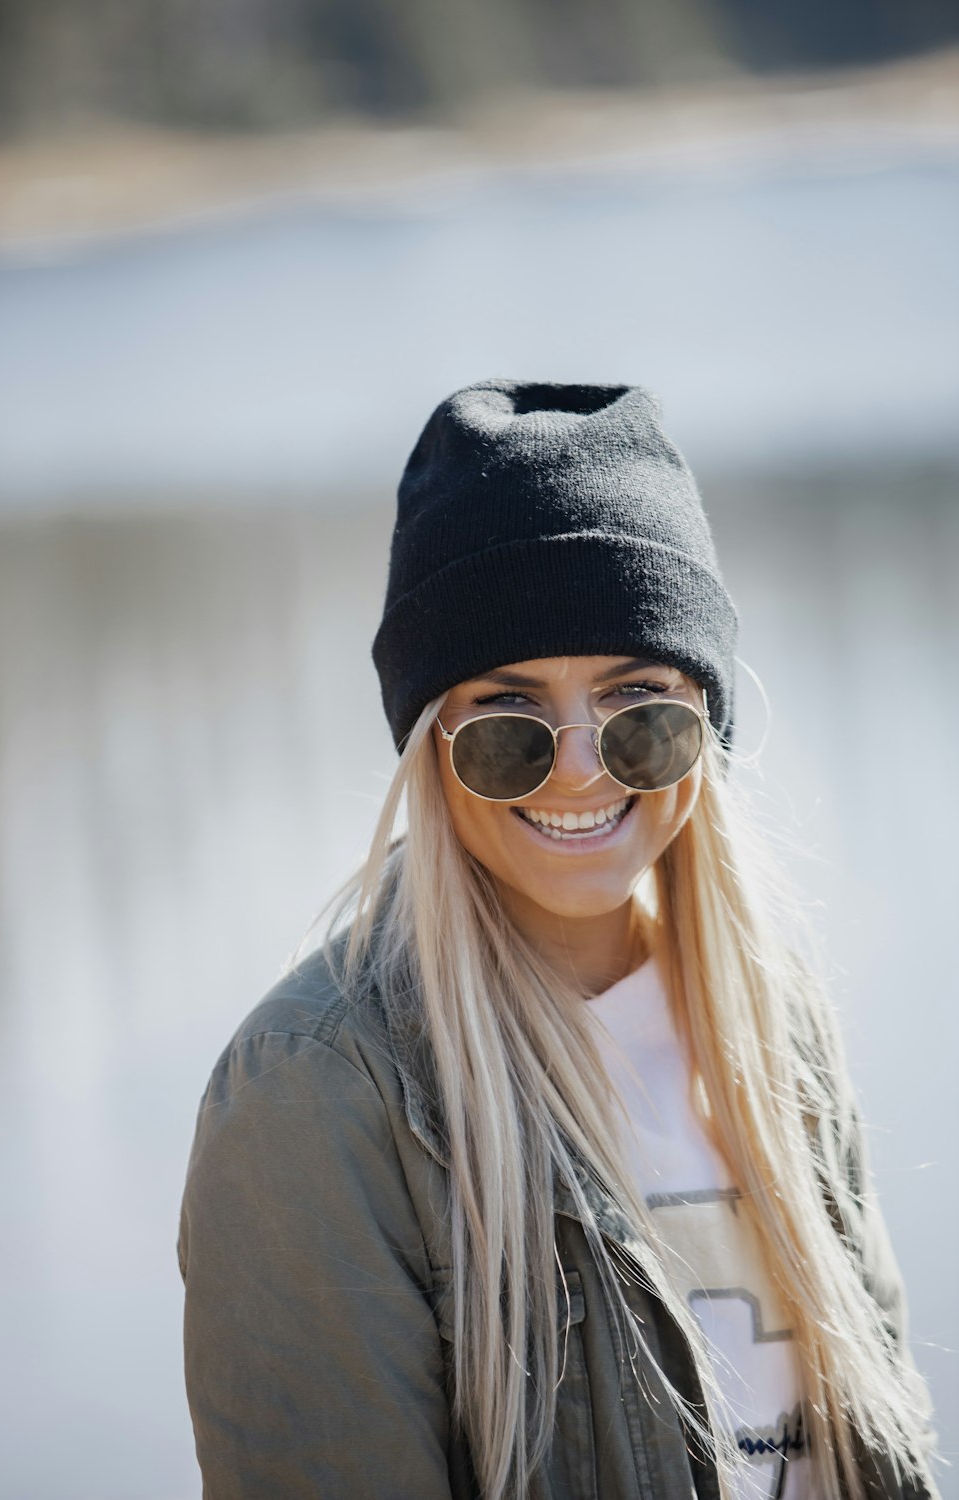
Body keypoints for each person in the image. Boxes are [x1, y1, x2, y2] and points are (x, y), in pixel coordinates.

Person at [177, 381, 939, 1500]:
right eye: (507, 727)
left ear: (704, 728)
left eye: (642, 712)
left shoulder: (771, 1018)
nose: (581, 769)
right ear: (429, 746)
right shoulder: (315, 1097)